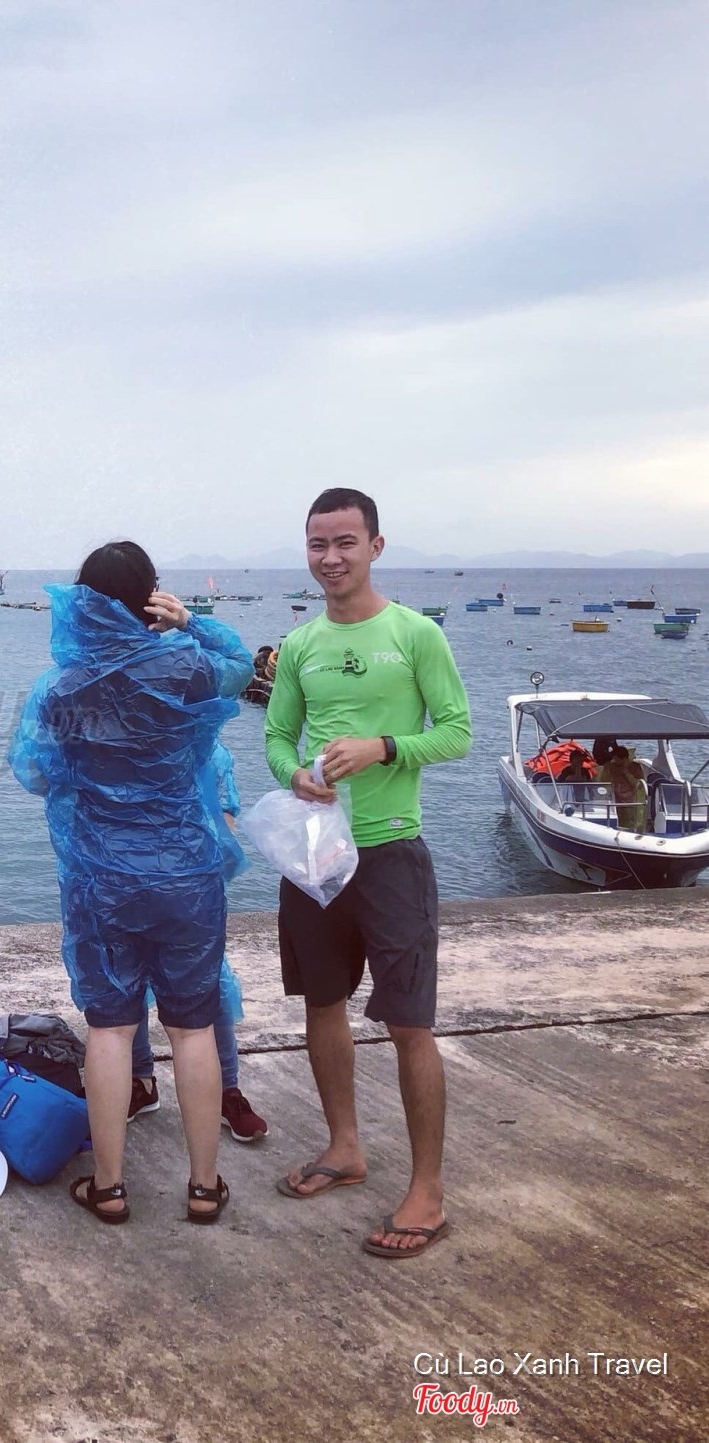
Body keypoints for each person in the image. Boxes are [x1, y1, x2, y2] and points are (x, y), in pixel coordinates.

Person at [11, 541, 253, 1225]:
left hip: (102, 878)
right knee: (193, 1028)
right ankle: (203, 1185)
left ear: (84, 602)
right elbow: (242, 668)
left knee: (111, 1031)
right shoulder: (187, 667)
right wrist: (192, 620)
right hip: (186, 873)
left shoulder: (63, 686)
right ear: (150, 598)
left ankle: (110, 1186)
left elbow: (36, 773)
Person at [265, 487, 470, 1259]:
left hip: (391, 851)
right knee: (323, 1003)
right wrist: (295, 774)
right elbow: (277, 737)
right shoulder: (301, 644)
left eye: (345, 541)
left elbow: (457, 731)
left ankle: (428, 1190)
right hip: (317, 853)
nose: (331, 557)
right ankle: (344, 1146)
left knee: (410, 1022)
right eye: (318, 543)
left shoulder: (415, 634)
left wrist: (385, 747)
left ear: (376, 546)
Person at [128, 742, 267, 1144]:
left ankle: (227, 1089)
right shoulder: (122, 743)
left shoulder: (210, 752)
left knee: (212, 985)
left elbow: (225, 820)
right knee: (125, 984)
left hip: (191, 886)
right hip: (126, 880)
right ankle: (140, 1080)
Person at [599, 744, 648, 832]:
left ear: (624, 758)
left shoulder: (635, 767)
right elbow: (603, 782)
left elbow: (639, 785)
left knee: (630, 823)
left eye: (616, 759)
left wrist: (626, 773)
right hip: (615, 799)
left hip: (631, 801)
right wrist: (607, 769)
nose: (614, 760)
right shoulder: (611, 766)